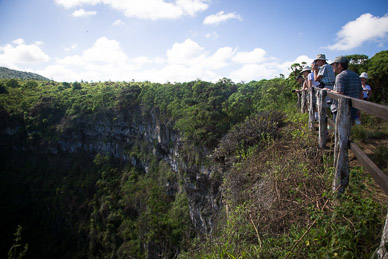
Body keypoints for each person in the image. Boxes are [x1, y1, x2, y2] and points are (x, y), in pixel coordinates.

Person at [325, 56, 363, 122]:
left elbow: (340, 93)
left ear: (339, 65)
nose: (332, 66)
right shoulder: (356, 76)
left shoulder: (340, 76)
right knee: (349, 129)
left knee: (338, 129)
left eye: (334, 64)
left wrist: (329, 90)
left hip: (341, 109)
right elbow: (361, 93)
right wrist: (359, 109)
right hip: (353, 108)